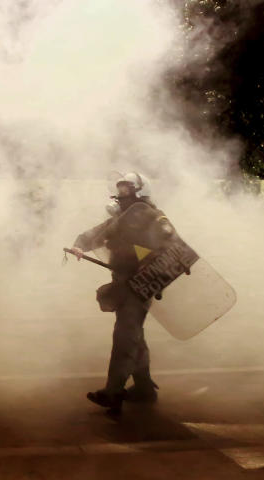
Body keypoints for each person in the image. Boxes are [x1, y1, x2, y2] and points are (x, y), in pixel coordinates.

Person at [68, 172, 168, 414]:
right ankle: (144, 388)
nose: (120, 194)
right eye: (119, 189)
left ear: (139, 192)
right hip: (125, 284)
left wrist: (150, 268)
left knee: (125, 336)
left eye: (125, 189)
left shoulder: (149, 216)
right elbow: (98, 233)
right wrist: (80, 244)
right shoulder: (124, 217)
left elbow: (166, 244)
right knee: (135, 336)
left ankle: (113, 392)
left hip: (139, 285)